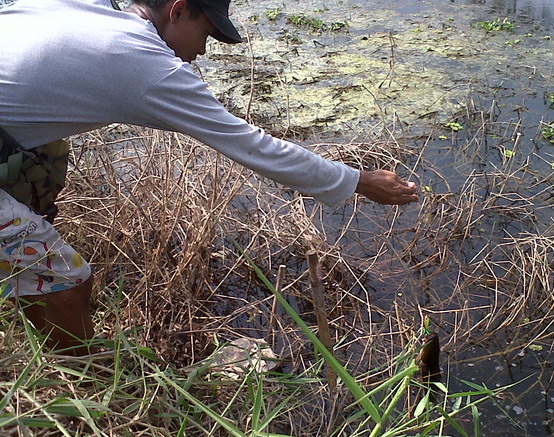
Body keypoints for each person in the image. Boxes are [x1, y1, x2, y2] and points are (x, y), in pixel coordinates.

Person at [0, 0, 418, 354]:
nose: (200, 52)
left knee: (47, 156)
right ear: (179, 10)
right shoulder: (144, 65)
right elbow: (253, 146)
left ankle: (30, 295)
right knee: (67, 279)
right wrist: (358, 181)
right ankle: (83, 383)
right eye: (205, 33)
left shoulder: (74, 9)